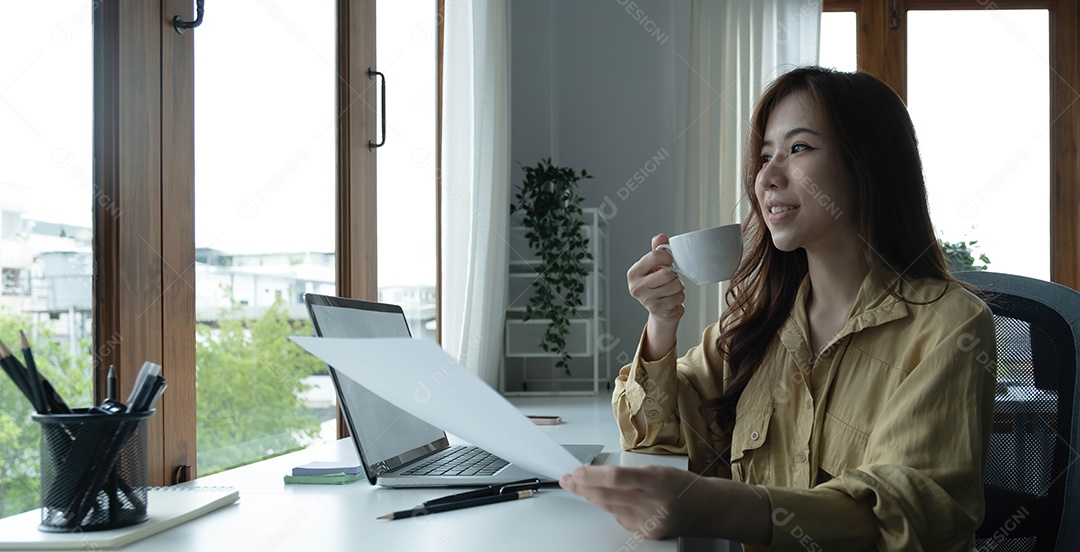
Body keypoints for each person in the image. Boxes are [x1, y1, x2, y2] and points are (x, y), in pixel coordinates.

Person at [559, 66, 997, 551]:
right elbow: (654, 437)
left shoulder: (950, 326)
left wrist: (717, 506)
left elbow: (902, 519)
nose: (766, 176)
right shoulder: (757, 320)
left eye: (799, 148)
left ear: (868, 163)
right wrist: (662, 322)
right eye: (765, 155)